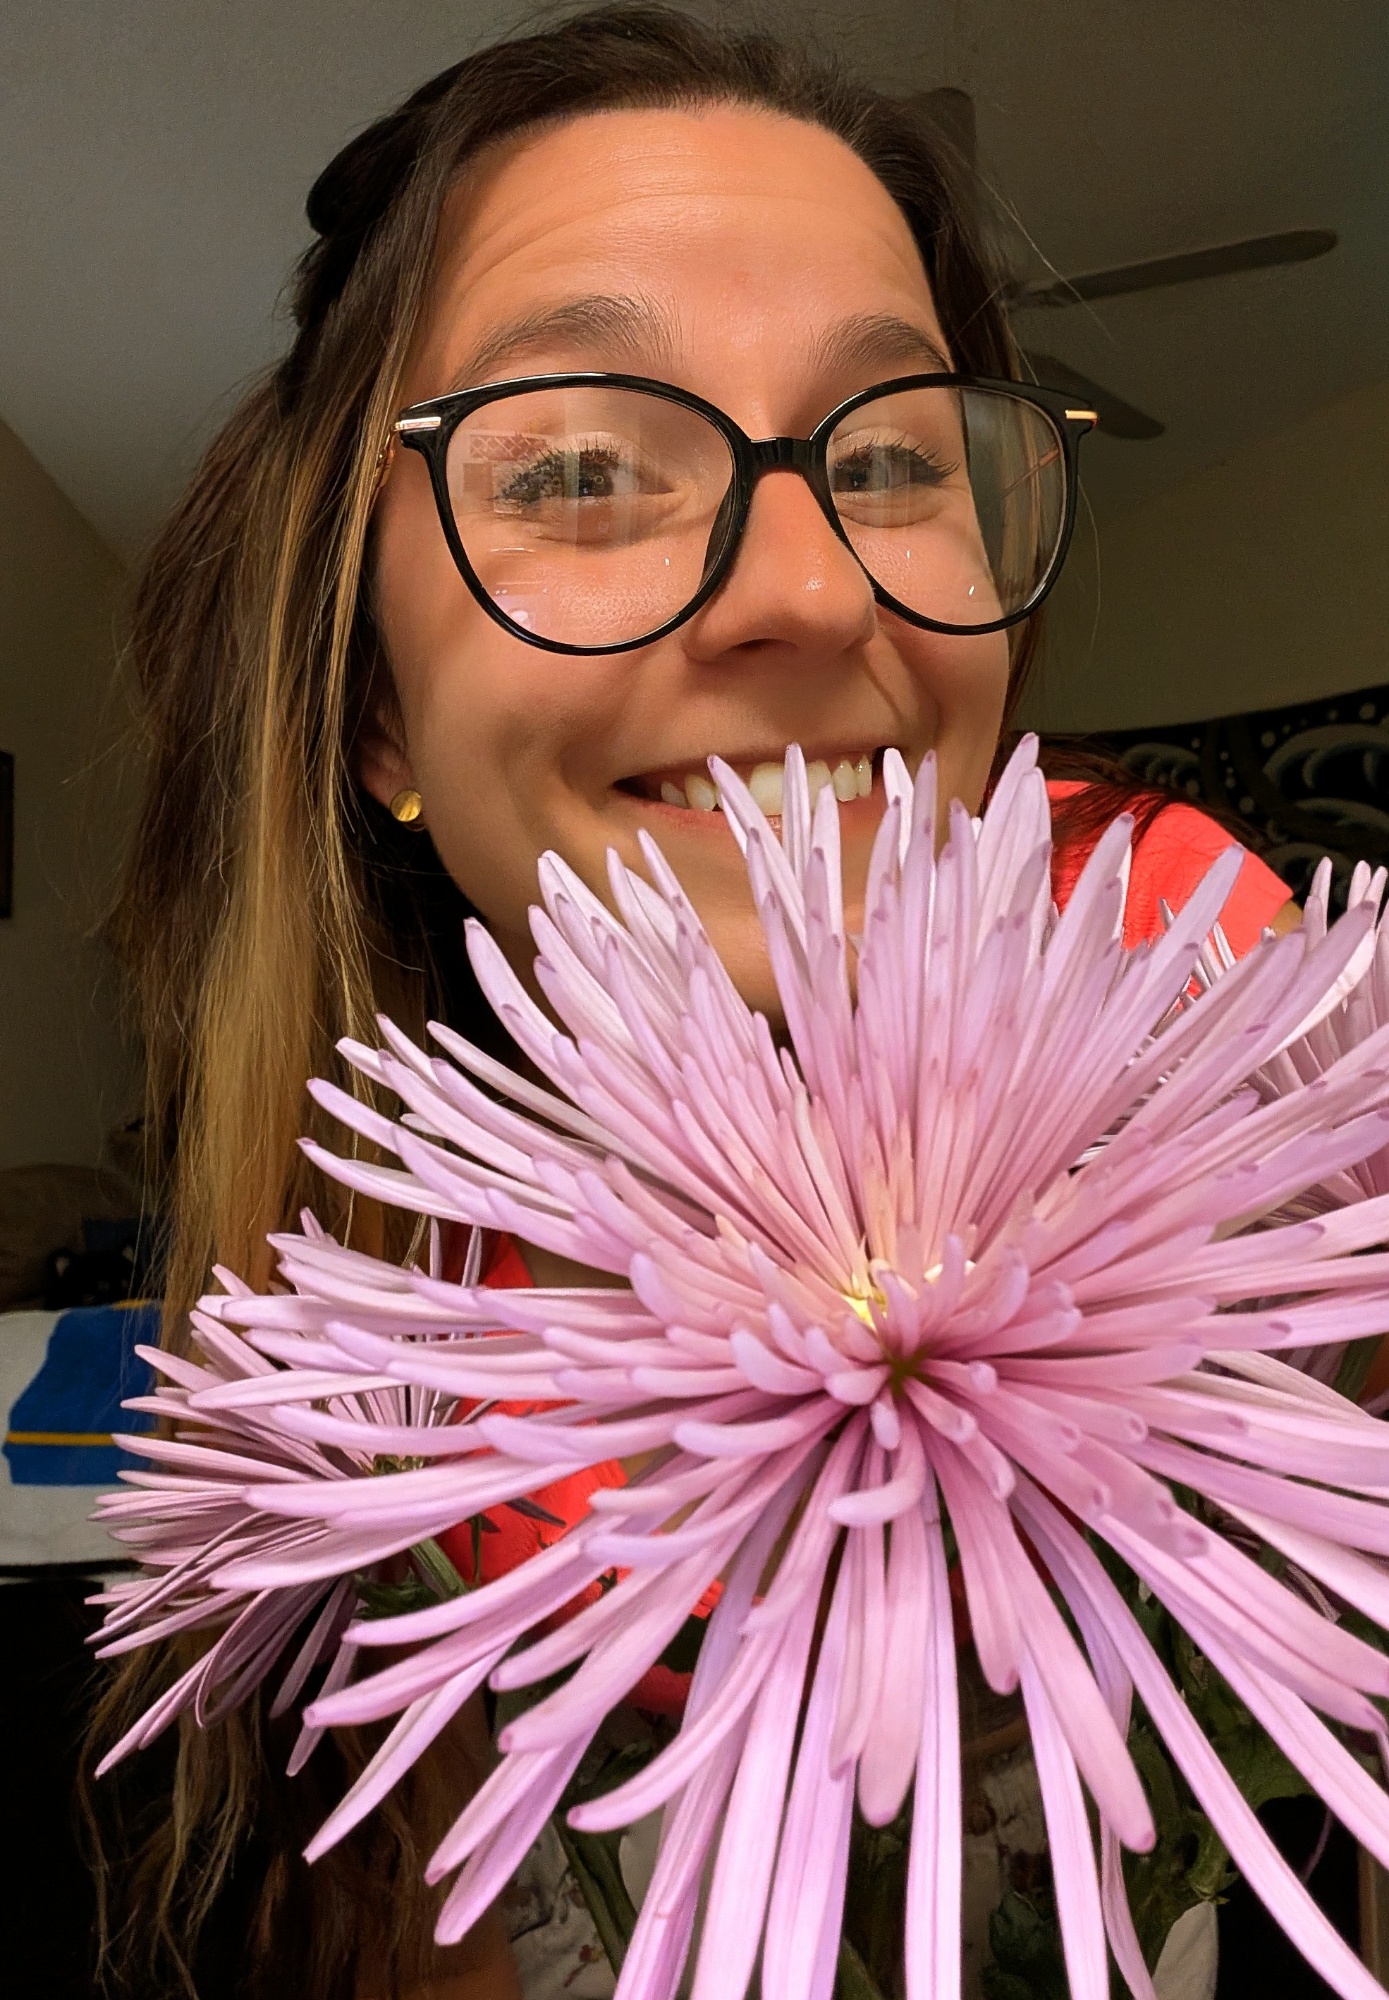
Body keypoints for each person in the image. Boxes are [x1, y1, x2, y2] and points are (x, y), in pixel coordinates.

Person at [94, 8, 1297, 1997]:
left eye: (891, 457)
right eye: (582, 468)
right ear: (377, 707)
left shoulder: (1195, 962)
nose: (812, 596)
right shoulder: (370, 1420)